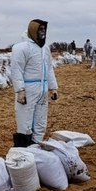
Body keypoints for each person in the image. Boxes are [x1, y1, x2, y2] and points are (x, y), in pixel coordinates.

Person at [10, 19, 59, 147]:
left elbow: (49, 68)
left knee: (40, 120)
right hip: (28, 90)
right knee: (25, 120)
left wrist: (53, 88)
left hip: (42, 89)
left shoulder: (45, 49)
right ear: (33, 30)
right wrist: (20, 90)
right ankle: (23, 146)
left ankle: (36, 145)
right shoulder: (21, 48)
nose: (43, 32)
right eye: (40, 29)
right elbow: (16, 69)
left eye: (44, 29)